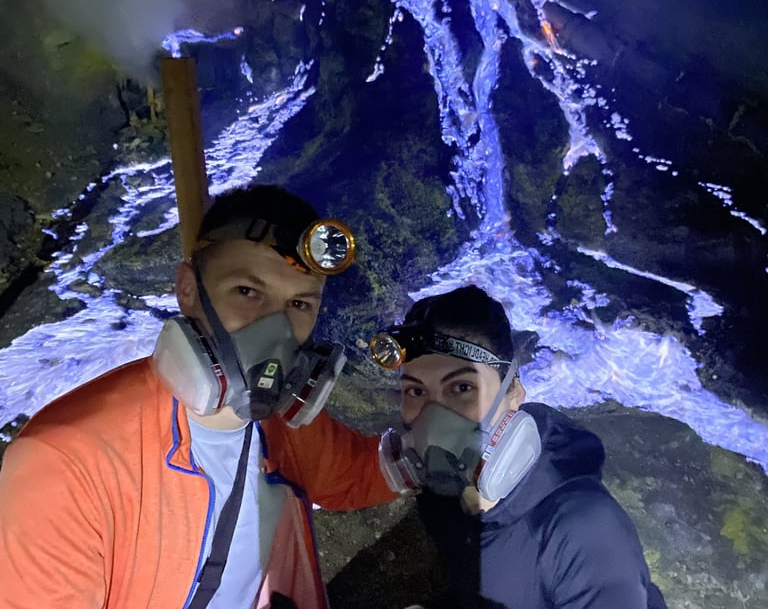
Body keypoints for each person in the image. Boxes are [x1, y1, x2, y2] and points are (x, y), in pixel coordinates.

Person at [0, 183, 396, 609]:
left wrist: (429, 444)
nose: (275, 329)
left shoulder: (287, 428)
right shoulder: (65, 462)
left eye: (299, 305)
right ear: (188, 289)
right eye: (247, 292)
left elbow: (356, 475)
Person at [370, 285, 667, 609]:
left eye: (462, 387)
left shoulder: (584, 529)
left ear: (513, 392)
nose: (434, 419)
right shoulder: (443, 501)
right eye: (415, 391)